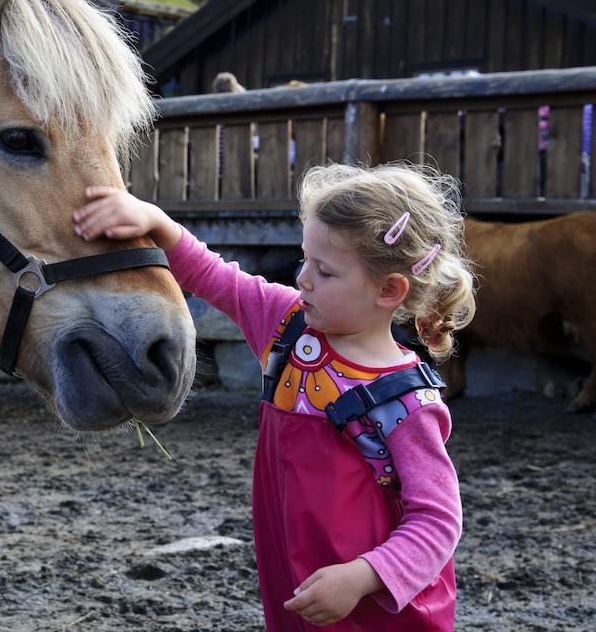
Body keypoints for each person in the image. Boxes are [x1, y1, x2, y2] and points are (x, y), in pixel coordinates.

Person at [73, 163, 474, 631]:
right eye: (305, 259)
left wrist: (364, 577)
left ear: (389, 290)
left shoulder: (406, 403)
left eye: (324, 271)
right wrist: (156, 224)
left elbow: (438, 521)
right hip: (295, 572)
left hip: (374, 604)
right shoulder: (289, 326)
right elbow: (216, 278)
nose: (303, 278)